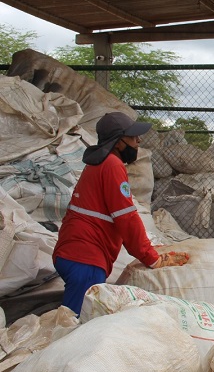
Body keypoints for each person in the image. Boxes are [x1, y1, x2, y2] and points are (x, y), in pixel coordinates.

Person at [53, 112, 190, 315]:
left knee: (75, 318)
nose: (138, 141)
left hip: (74, 253)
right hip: (86, 259)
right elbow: (126, 218)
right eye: (133, 137)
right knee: (75, 323)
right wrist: (152, 258)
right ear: (118, 142)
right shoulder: (112, 165)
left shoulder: (98, 163)